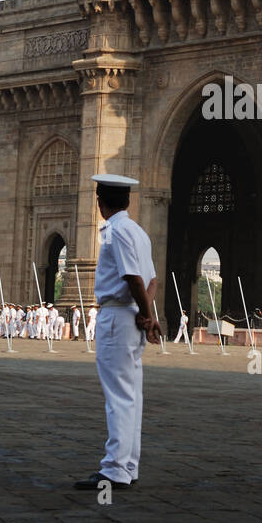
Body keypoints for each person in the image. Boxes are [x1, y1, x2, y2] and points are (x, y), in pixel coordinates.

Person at [75, 174, 160, 492]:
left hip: (117, 318)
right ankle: (128, 465)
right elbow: (152, 281)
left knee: (118, 398)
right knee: (131, 397)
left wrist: (147, 315)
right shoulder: (138, 232)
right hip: (133, 317)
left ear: (100, 202)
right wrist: (147, 314)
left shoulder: (113, 232)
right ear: (127, 200)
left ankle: (114, 469)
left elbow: (132, 278)